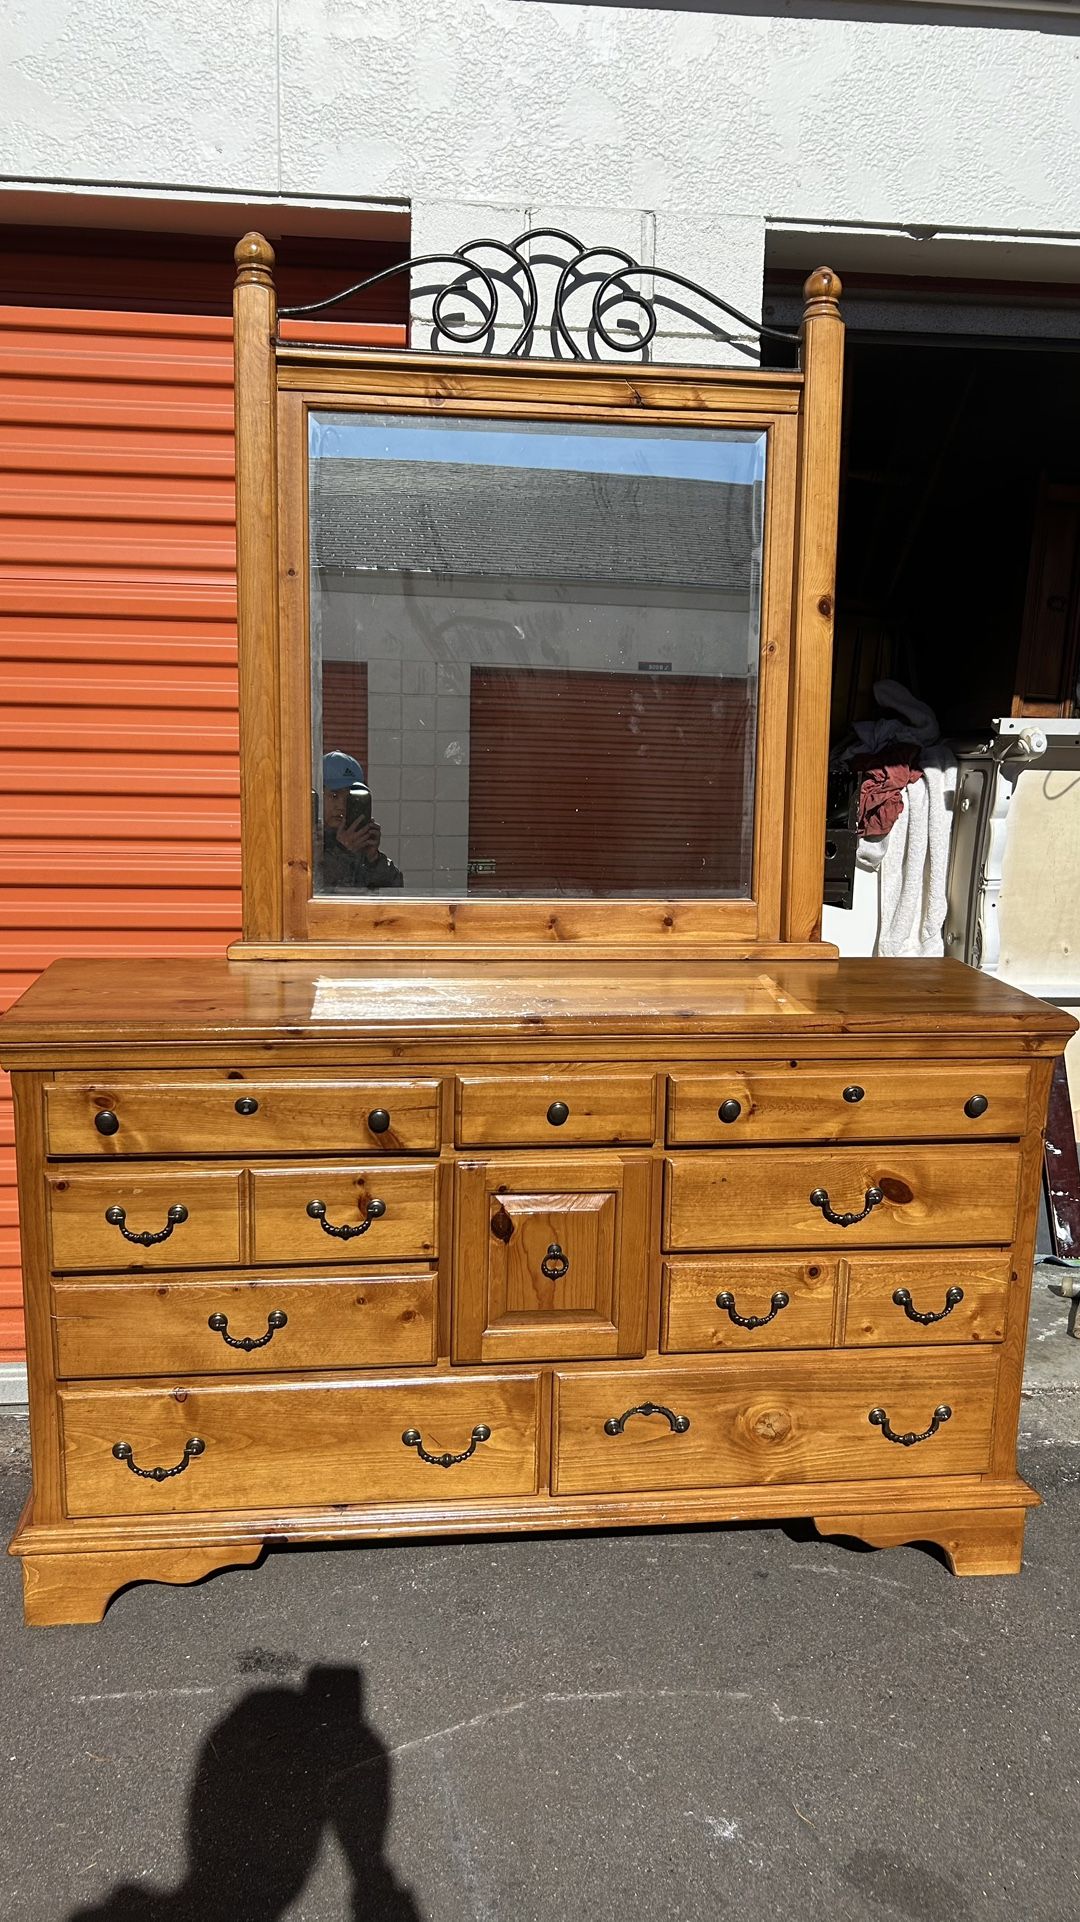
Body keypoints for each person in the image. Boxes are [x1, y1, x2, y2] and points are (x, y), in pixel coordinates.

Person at [321, 750, 403, 891]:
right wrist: (344, 852)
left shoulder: (357, 839)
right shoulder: (309, 840)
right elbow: (312, 890)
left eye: (349, 798)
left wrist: (373, 859)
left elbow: (395, 891)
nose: (341, 806)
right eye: (334, 796)